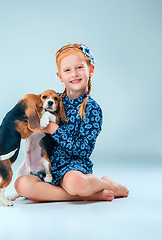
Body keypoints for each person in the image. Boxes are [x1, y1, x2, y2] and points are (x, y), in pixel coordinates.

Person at [14, 43, 129, 202]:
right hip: (47, 167)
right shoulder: (53, 99)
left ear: (91, 70)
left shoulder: (92, 109)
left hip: (73, 167)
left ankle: (106, 184)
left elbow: (83, 150)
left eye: (79, 67)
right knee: (22, 185)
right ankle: (91, 194)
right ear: (60, 76)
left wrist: (55, 130)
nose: (74, 74)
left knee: (75, 183)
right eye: (67, 70)